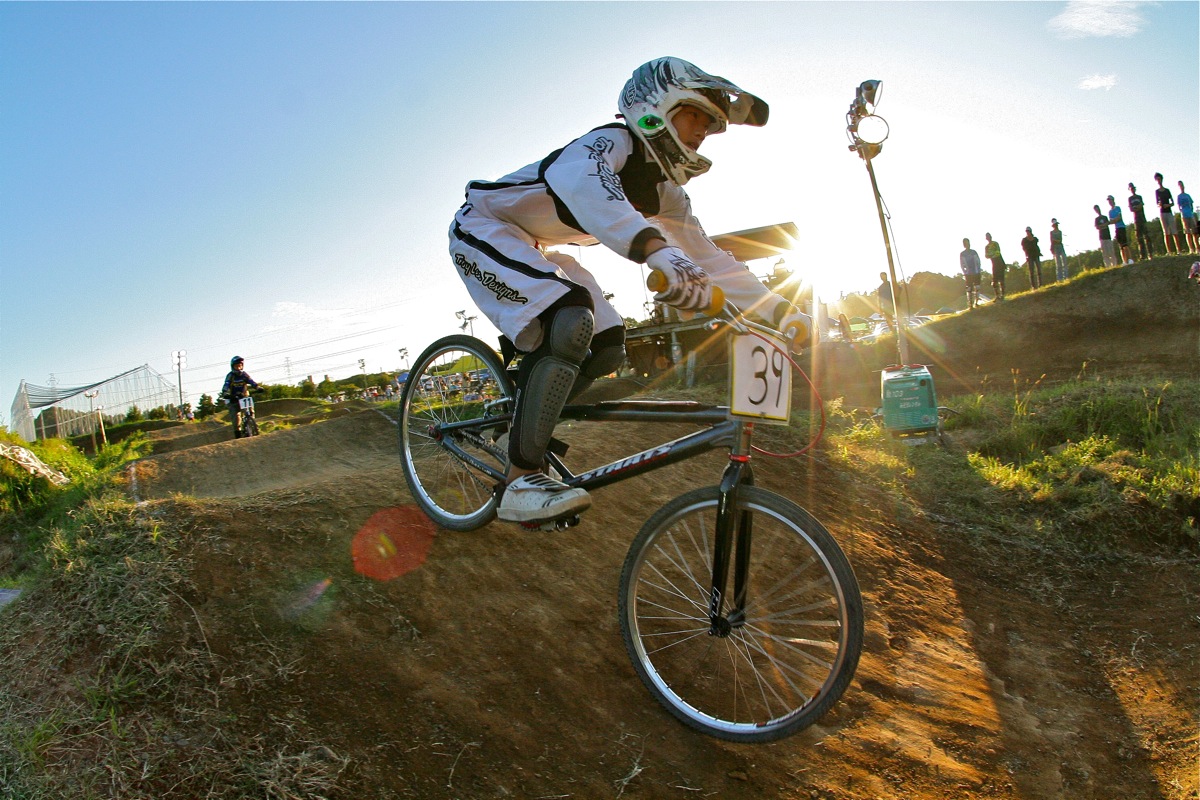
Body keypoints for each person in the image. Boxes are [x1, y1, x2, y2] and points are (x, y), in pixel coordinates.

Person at [447, 57, 809, 525]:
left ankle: (520, 423)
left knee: (607, 346)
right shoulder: (609, 143)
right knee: (571, 315)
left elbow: (709, 257)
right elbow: (588, 187)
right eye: (696, 115)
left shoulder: (667, 194)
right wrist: (657, 252)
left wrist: (779, 310)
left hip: (532, 244)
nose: (702, 132)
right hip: (484, 226)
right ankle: (520, 479)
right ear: (656, 108)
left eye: (712, 125)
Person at [219, 356, 260, 439]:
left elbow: (251, 381)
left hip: (244, 396)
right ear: (233, 367)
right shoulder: (230, 376)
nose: (238, 368)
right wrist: (225, 393)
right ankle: (238, 435)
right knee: (236, 417)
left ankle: (252, 424)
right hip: (233, 398)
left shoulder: (244, 375)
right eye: (236, 366)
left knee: (251, 411)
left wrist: (257, 387)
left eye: (240, 366)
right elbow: (226, 385)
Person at [1153, 173, 1181, 255]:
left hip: (1169, 212)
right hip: (1162, 212)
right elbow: (1157, 203)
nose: (1159, 181)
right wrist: (1160, 204)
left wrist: (1167, 205)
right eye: (1157, 179)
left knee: (1174, 231)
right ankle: (1169, 251)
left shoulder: (1167, 190)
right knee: (1166, 233)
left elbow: (1172, 202)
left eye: (1159, 179)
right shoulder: (1157, 191)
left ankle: (1179, 250)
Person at [1128, 183, 1153, 261]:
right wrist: (1137, 207)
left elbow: (1141, 205)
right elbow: (1131, 209)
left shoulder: (1139, 197)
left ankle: (1151, 254)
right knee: (1139, 238)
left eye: (1133, 188)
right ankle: (1143, 255)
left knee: (1147, 236)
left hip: (1142, 217)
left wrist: (1137, 207)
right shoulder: (1130, 199)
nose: (1132, 190)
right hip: (1136, 219)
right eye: (1131, 188)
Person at [1108, 195, 1132, 265]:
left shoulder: (1117, 208)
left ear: (1113, 200)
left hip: (1122, 227)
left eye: (1110, 200)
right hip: (1117, 228)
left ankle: (1129, 259)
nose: (1110, 202)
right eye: (1109, 201)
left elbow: (1119, 218)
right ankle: (1124, 260)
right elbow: (1111, 221)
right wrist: (1115, 220)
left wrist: (1114, 220)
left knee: (1125, 244)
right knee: (1121, 246)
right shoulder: (1110, 211)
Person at [959, 238, 982, 308]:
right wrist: (965, 272)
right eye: (965, 243)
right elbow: (961, 264)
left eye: (967, 243)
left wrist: (978, 269)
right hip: (968, 273)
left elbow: (978, 261)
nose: (966, 245)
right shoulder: (962, 254)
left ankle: (976, 302)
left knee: (977, 287)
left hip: (976, 272)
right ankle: (970, 304)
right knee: (969, 288)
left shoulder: (974, 252)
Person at [983, 233, 1006, 299]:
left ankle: (1003, 295)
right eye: (987, 237)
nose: (988, 238)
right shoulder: (987, 247)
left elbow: (998, 252)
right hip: (994, 264)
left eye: (989, 236)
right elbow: (986, 256)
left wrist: (991, 255)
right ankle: (997, 295)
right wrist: (991, 255)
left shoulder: (995, 243)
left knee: (1002, 280)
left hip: (1000, 262)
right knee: (994, 281)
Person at [1179, 181, 1198, 255]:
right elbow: (1179, 206)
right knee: (1187, 232)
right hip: (1184, 215)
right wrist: (1182, 212)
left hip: (1190, 214)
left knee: (1194, 232)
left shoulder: (1187, 195)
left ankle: (1197, 248)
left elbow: (1191, 203)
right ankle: (1191, 249)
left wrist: (1191, 212)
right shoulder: (1179, 196)